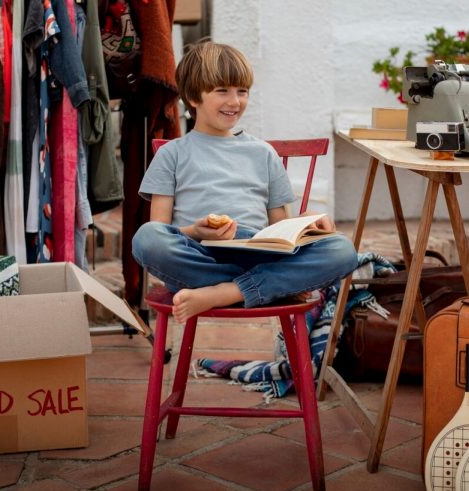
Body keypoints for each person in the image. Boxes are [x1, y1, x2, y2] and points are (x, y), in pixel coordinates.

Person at [132, 41, 358, 324]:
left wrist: (308, 223)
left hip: (257, 252)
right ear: (193, 97)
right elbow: (161, 229)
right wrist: (197, 231)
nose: (235, 101)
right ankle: (264, 287)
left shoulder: (263, 153)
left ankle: (226, 292)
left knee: (342, 250)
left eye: (242, 91)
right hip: (199, 257)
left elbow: (280, 231)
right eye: (222, 91)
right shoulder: (171, 154)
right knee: (146, 238)